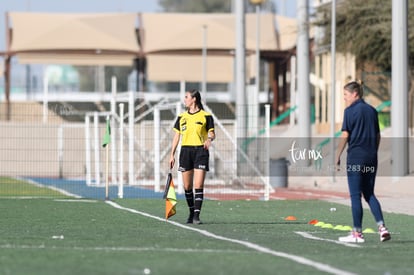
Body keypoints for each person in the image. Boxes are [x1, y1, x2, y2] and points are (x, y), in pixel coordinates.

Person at [336, 80, 391, 243]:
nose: (344, 98)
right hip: (371, 158)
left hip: (355, 158)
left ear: (355, 94)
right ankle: (382, 228)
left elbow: (345, 135)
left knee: (355, 196)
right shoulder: (372, 111)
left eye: (345, 95)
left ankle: (357, 233)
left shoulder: (349, 111)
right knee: (369, 194)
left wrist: (337, 155)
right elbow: (378, 136)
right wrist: (373, 151)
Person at [169, 89, 215, 224]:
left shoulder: (206, 116)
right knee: (187, 186)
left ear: (194, 99)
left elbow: (212, 133)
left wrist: (209, 139)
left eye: (186, 97)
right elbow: (176, 136)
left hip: (201, 151)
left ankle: (196, 216)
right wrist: (172, 155)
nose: (185, 100)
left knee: (198, 184)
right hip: (185, 152)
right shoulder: (181, 117)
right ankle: (191, 211)